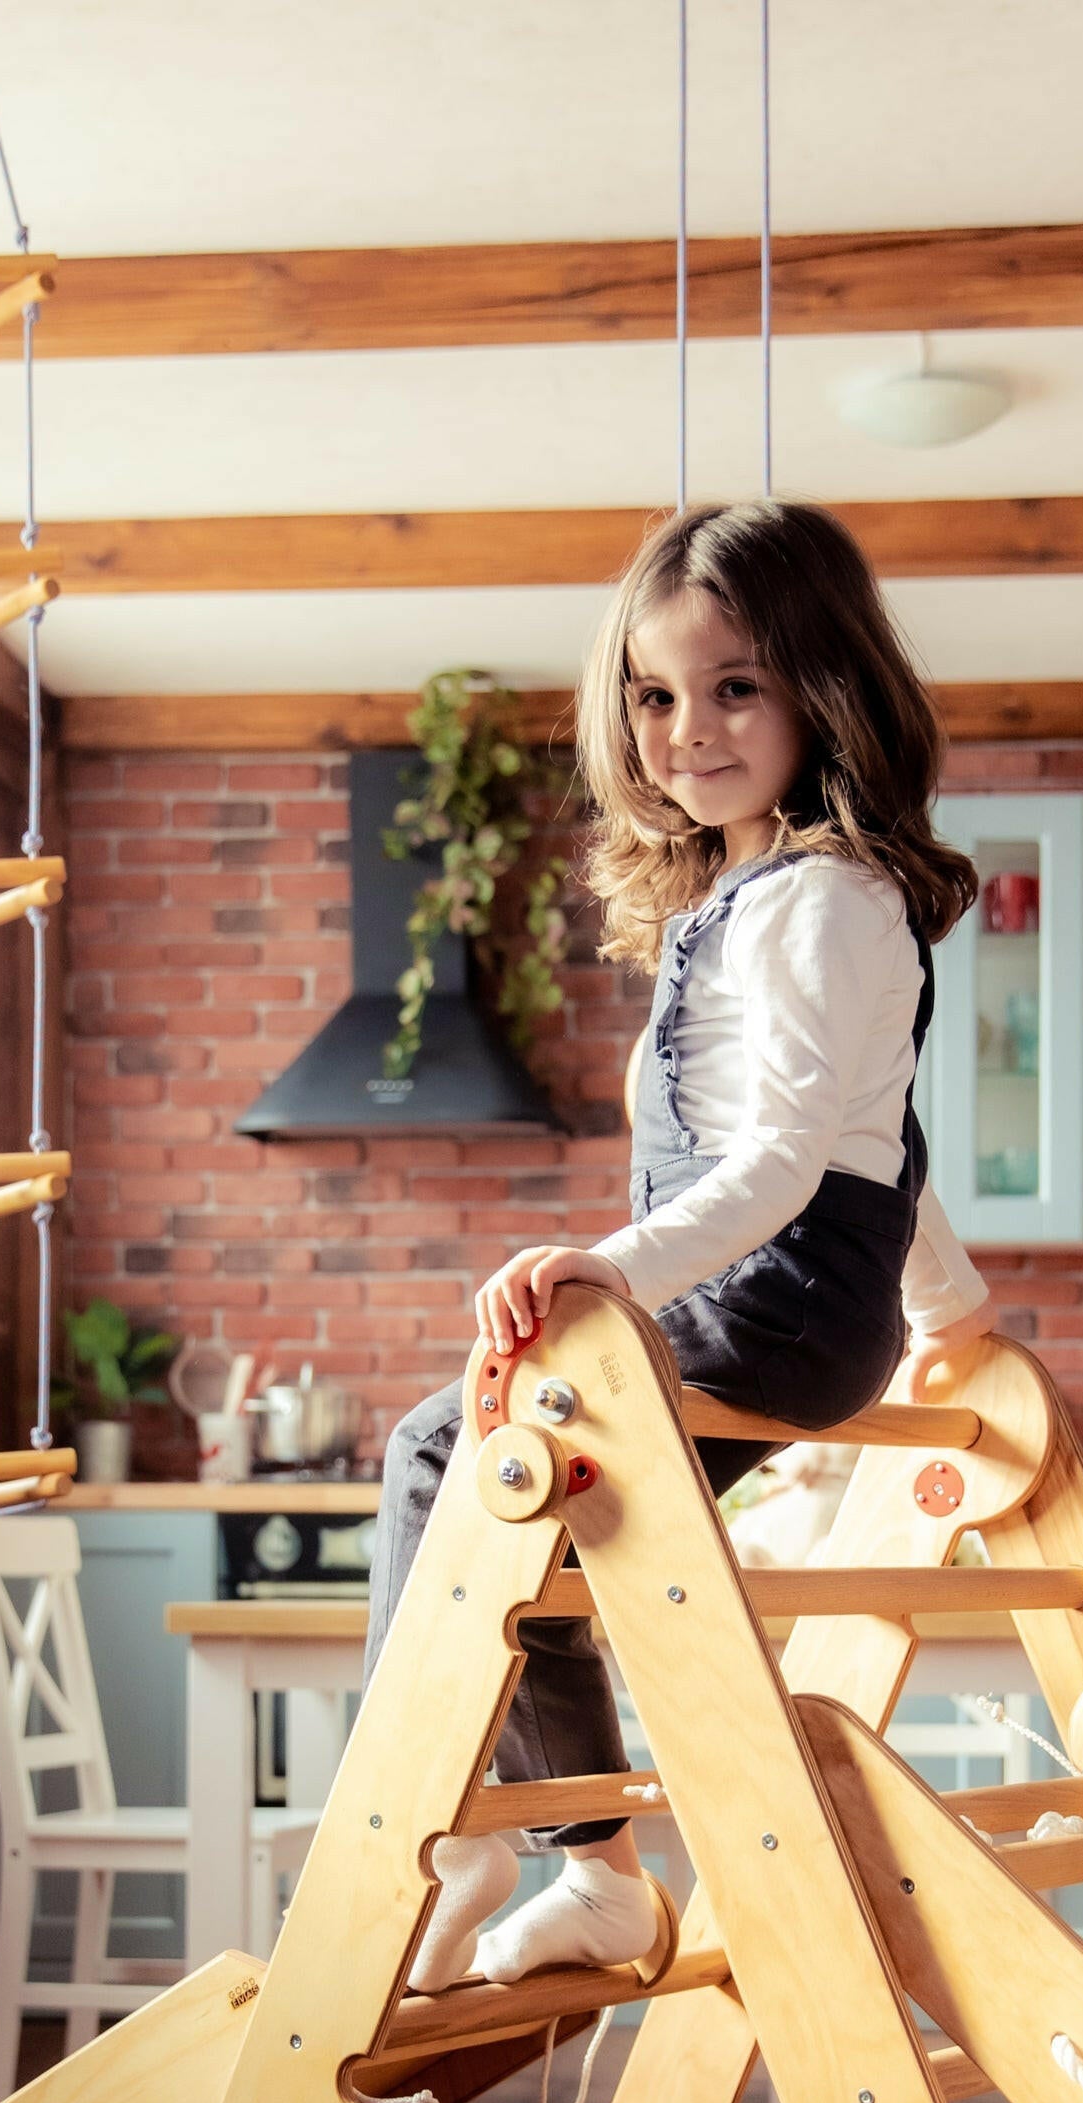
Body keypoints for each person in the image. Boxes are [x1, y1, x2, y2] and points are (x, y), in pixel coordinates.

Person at [366, 498, 1001, 1991]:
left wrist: (614, 1267)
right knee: (555, 1520)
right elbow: (879, 1137)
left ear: (819, 692)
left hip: (768, 1298)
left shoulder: (823, 900)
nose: (686, 731)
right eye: (654, 696)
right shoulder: (762, 897)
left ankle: (465, 1819)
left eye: (733, 688)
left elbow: (788, 1163)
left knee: (439, 1455)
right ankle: (577, 1866)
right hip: (801, 1298)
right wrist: (946, 1309)